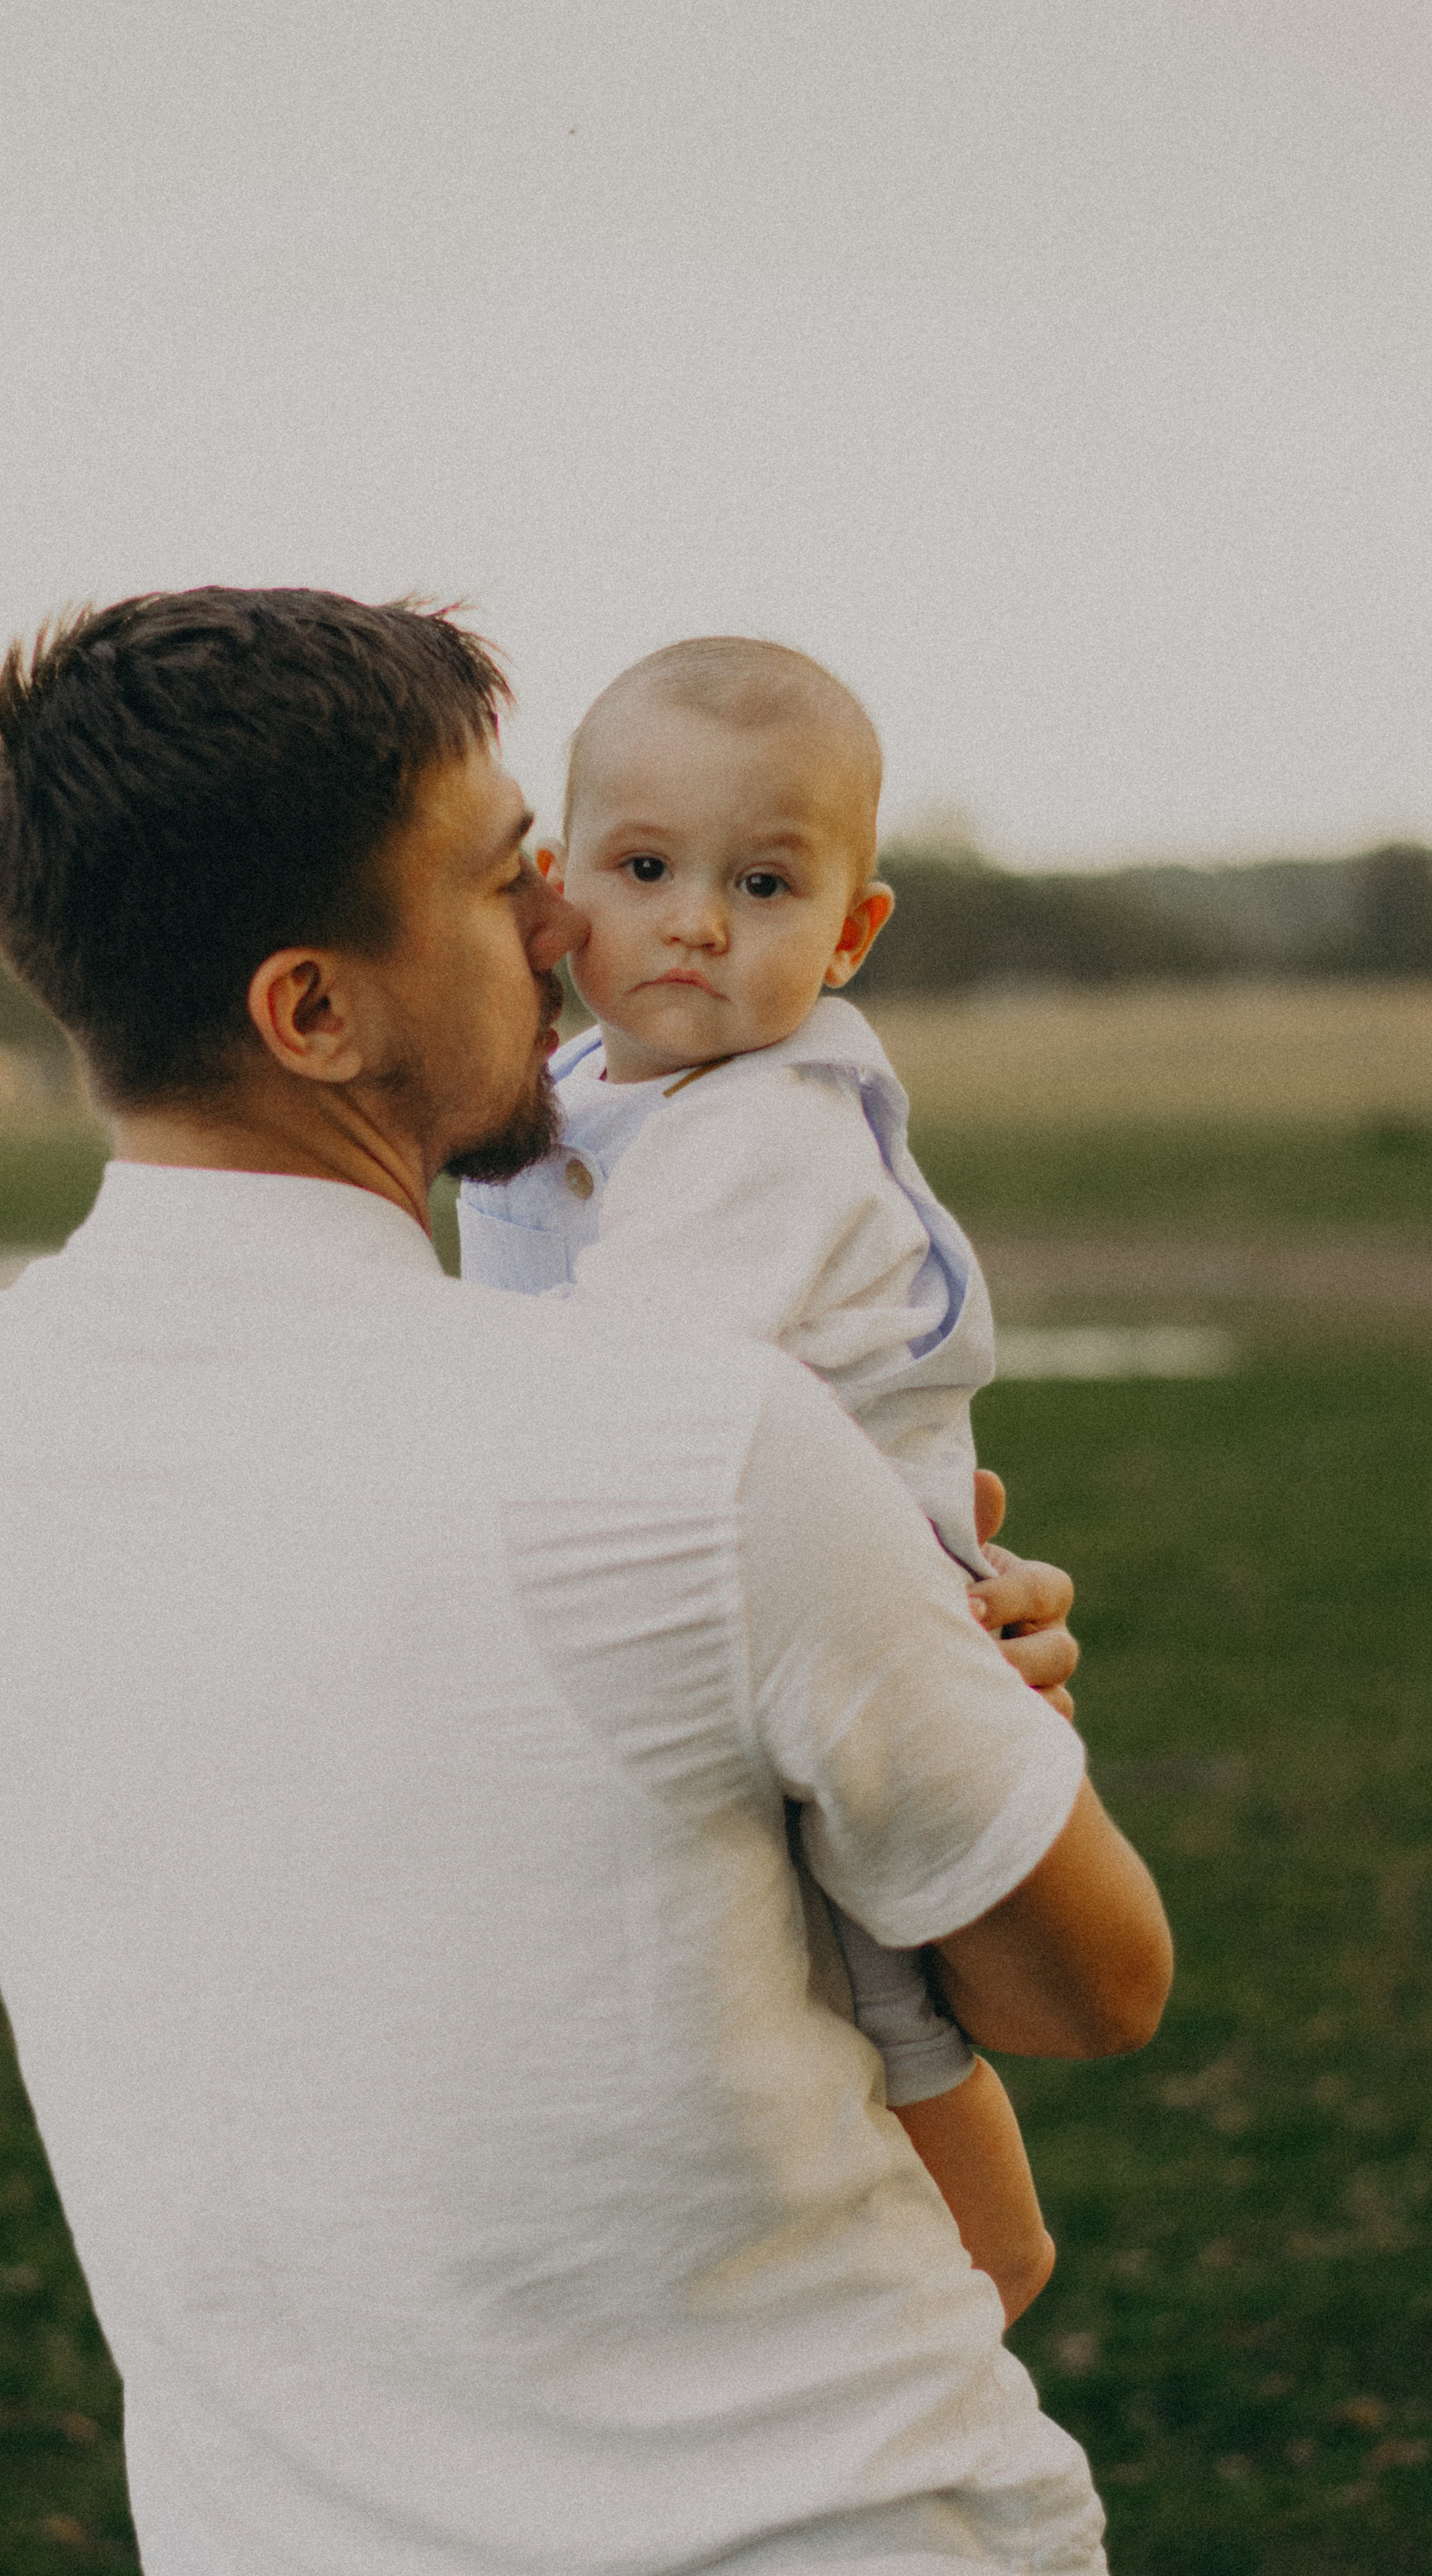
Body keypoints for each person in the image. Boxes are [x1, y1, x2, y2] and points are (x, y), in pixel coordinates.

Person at [0, 586, 1172, 2576]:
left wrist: (866, 1647)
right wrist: (935, 1674)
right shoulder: (687, 1440)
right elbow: (1094, 1985)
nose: (570, 933)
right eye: (506, 889)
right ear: (314, 1012)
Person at [459, 637, 1053, 2323]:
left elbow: (633, 1394)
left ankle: (994, 2247)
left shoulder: (764, 1137)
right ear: (557, 886)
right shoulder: (583, 1082)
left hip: (866, 1562)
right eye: (643, 871)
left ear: (850, 932)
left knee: (872, 1961)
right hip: (730, 1553)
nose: (696, 923)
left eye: (764, 885)